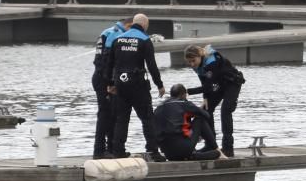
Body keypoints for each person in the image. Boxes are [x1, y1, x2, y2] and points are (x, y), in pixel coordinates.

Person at [103, 13, 166, 161]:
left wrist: (110, 84)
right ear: (144, 24)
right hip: (138, 85)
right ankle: (153, 151)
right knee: (147, 118)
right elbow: (152, 65)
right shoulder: (144, 39)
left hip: (120, 84)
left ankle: (118, 151)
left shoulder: (118, 39)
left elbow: (110, 63)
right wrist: (159, 85)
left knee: (122, 119)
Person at [183, 44, 245, 158]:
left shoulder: (211, 62)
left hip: (232, 83)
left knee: (225, 111)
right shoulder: (197, 65)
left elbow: (208, 85)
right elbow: (204, 80)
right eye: (189, 62)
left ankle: (228, 148)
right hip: (218, 85)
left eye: (193, 61)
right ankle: (210, 145)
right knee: (206, 111)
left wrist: (187, 91)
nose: (192, 64)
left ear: (199, 56)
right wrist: (205, 98)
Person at [90, 17, 132, 159]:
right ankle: (99, 151)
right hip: (104, 80)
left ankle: (112, 148)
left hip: (103, 78)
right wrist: (110, 83)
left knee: (112, 114)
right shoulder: (116, 34)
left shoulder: (107, 32)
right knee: (105, 115)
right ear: (128, 25)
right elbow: (106, 61)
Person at [152, 84, 224, 161]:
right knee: (200, 120)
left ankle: (192, 155)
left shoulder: (158, 108)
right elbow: (206, 115)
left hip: (168, 153)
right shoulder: (184, 103)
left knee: (182, 128)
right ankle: (219, 152)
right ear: (183, 95)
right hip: (184, 148)